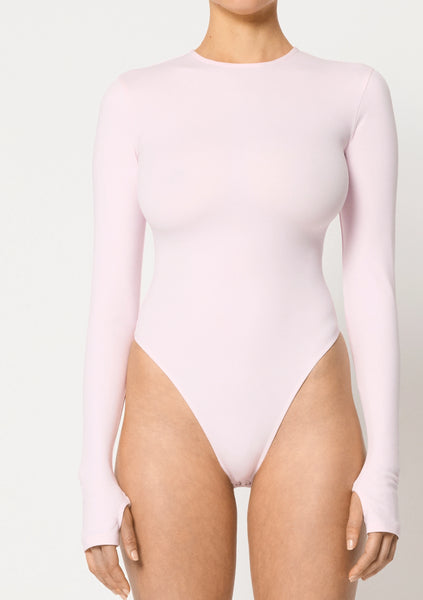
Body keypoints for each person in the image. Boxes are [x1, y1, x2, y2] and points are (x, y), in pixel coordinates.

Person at [78, 1, 401, 598]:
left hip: (308, 406)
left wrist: (384, 467)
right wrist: (92, 473)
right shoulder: (134, 99)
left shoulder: (353, 93)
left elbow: (371, 280)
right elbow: (113, 295)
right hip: (169, 412)